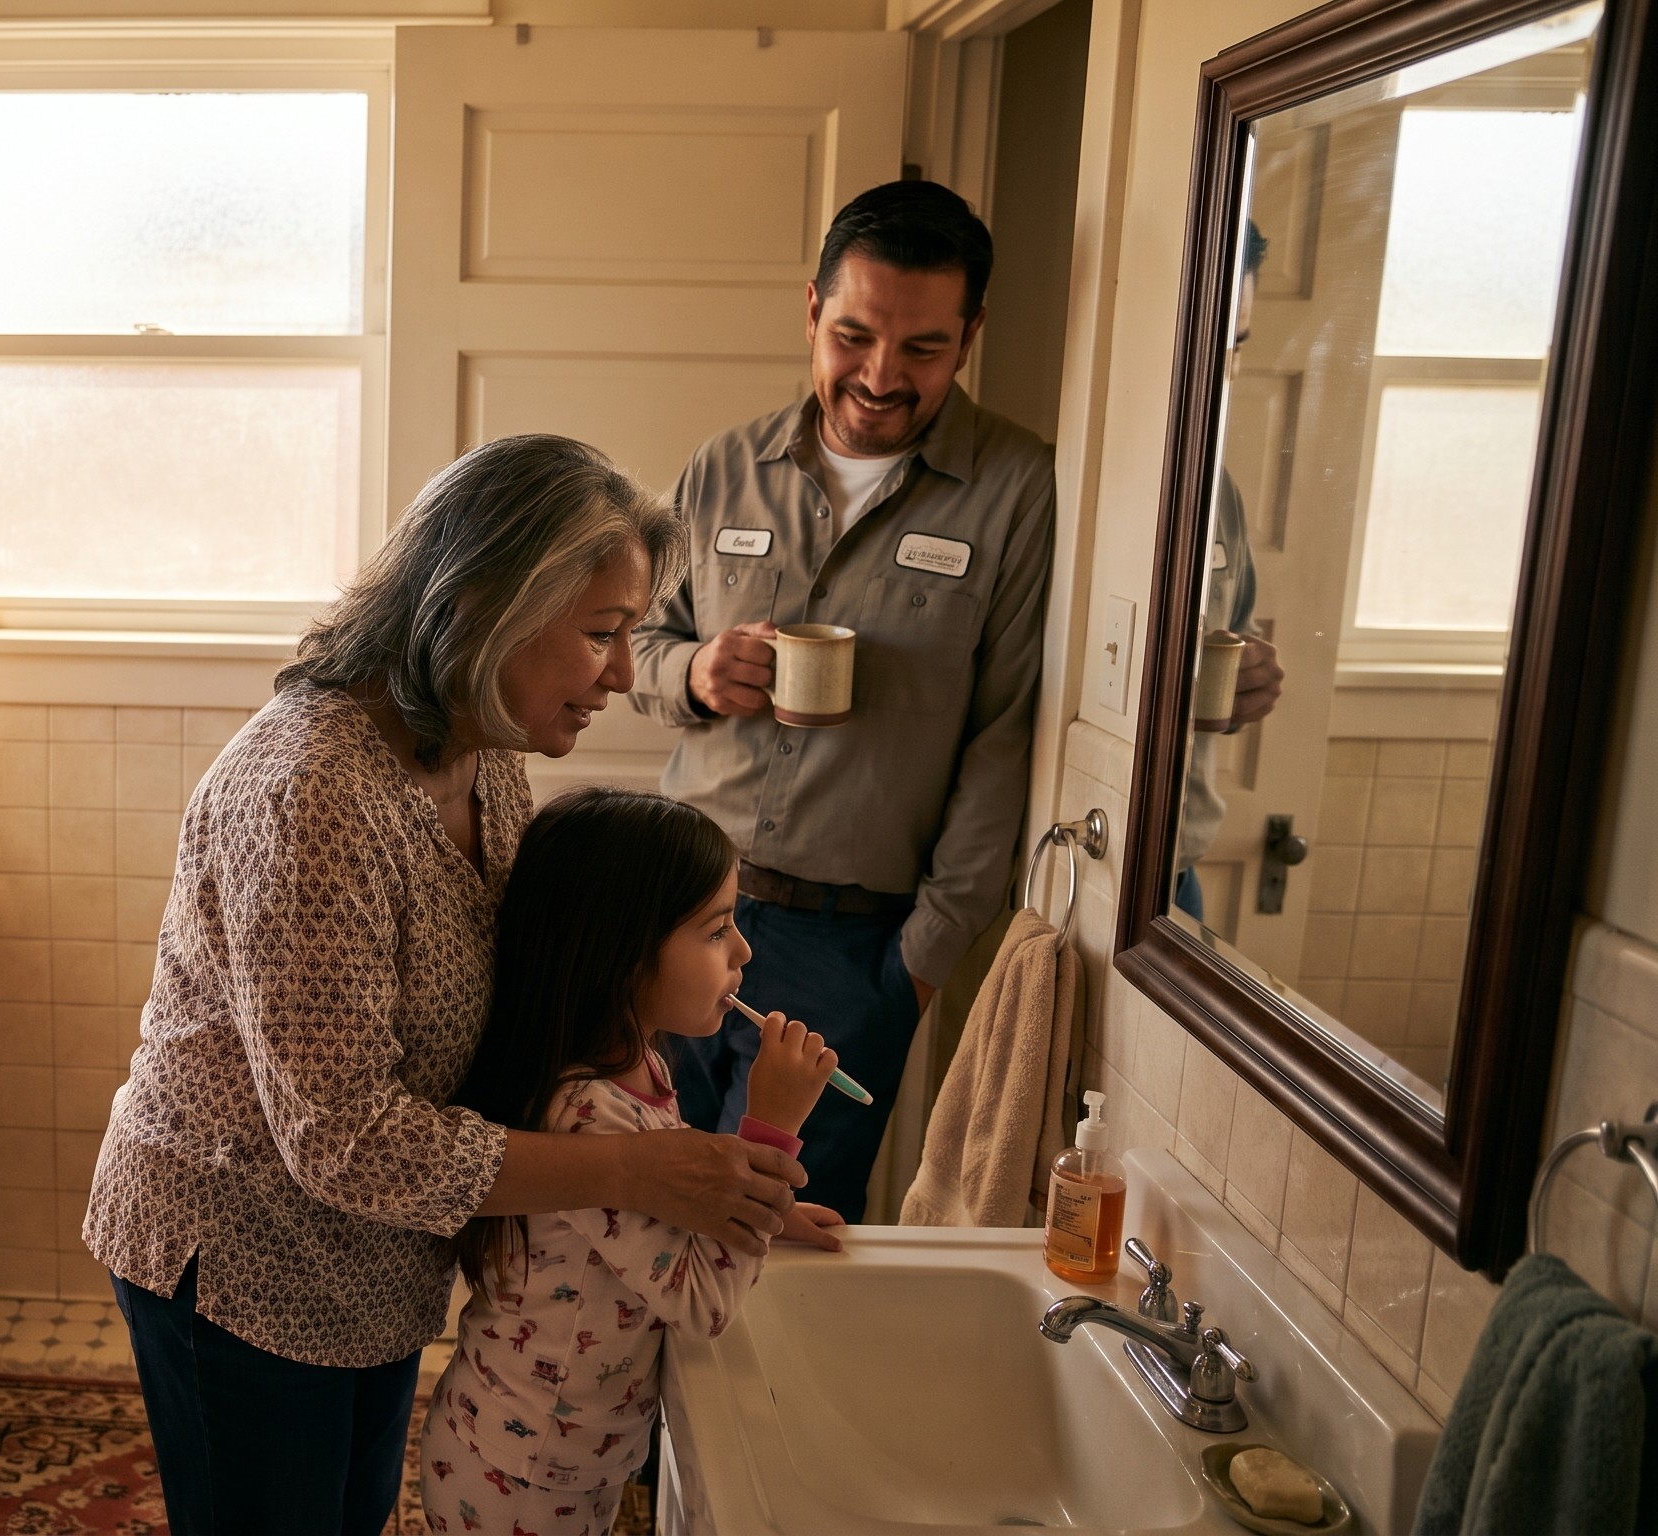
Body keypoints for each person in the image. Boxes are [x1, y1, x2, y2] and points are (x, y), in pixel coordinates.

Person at [83, 434, 842, 1536]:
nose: (627, 675)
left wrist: (716, 1199)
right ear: (486, 602)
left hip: (376, 1258)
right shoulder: (313, 797)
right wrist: (644, 1171)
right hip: (242, 1258)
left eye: (630, 635)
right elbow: (345, 1140)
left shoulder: (479, 748)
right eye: (600, 633)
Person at [629, 180, 1056, 1219]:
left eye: (921, 348)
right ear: (812, 309)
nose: (878, 376)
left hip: (852, 951)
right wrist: (690, 672)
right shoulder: (722, 468)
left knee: (771, 1239)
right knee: (637, 1211)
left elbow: (1004, 741)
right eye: (854, 334)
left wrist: (916, 968)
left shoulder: (1018, 489)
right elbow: (637, 643)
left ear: (970, 336)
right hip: (673, 909)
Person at [424, 787, 840, 1533]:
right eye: (717, 932)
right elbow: (701, 1302)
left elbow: (666, 1217)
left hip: (568, 1456)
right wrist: (771, 1131)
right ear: (622, 951)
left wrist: (756, 1204)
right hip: (521, 1474)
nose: (744, 951)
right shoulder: (586, 1113)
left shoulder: (638, 1067)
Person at [1176, 219, 1289, 922]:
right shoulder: (1054, 483)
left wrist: (1251, 683)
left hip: (1178, 871)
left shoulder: (1220, 492)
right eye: (1206, 348)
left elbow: (1233, 632)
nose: (1224, 376)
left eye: (1237, 347)